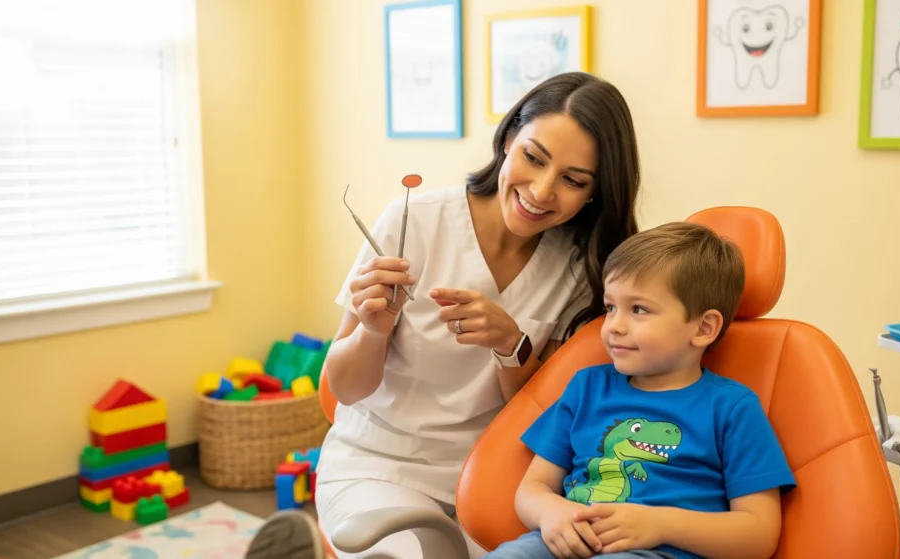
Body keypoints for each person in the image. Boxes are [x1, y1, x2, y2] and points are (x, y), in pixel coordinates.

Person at [245, 71, 642, 559]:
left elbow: (541, 412)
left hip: (491, 477)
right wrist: (374, 329)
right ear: (509, 138)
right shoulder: (416, 221)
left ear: (595, 193)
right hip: (380, 464)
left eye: (572, 180)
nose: (540, 191)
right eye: (532, 158)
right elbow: (344, 388)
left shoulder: (583, 268)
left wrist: (512, 345)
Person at [483, 222, 797, 559]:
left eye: (639, 309)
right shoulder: (586, 387)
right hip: (565, 544)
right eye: (610, 307)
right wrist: (551, 513)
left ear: (704, 328)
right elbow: (533, 488)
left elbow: (759, 534)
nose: (614, 326)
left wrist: (660, 525)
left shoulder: (732, 408)